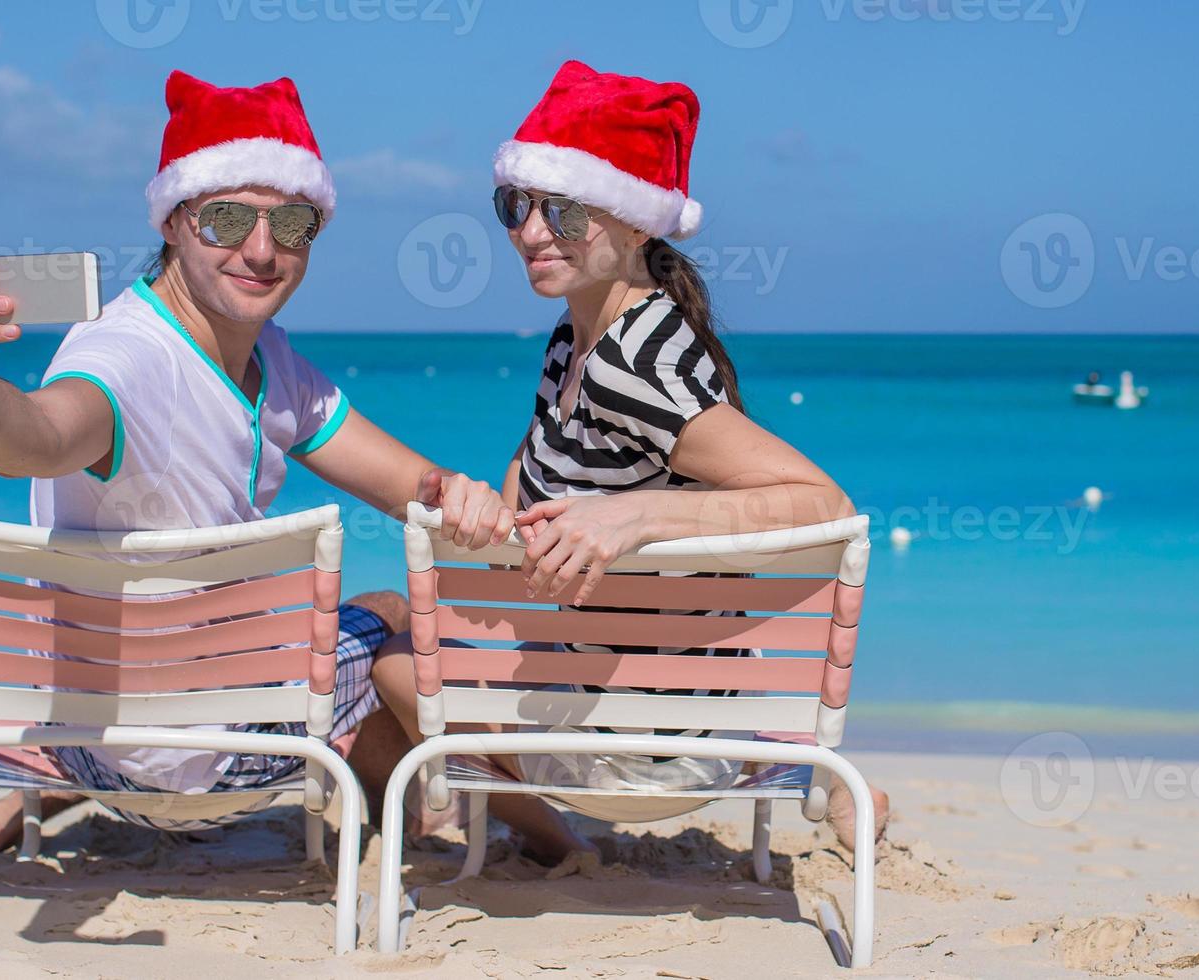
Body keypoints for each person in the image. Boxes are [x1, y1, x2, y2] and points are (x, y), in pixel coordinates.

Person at [0, 71, 512, 856]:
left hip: (91, 745)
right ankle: (392, 824)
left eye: (291, 224)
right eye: (227, 218)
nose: (261, 250)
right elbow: (43, 433)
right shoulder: (128, 359)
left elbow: (410, 489)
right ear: (176, 221)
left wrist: (461, 496)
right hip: (211, 768)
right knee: (389, 612)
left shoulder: (273, 366)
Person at [371, 61, 889, 850]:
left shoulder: (633, 364)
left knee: (392, 664)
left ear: (638, 222)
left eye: (568, 213)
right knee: (397, 614)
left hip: (650, 745)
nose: (533, 233)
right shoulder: (573, 344)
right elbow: (529, 496)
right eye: (519, 207)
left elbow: (827, 506)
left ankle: (551, 840)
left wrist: (636, 515)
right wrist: (489, 506)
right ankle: (802, 770)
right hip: (682, 713)